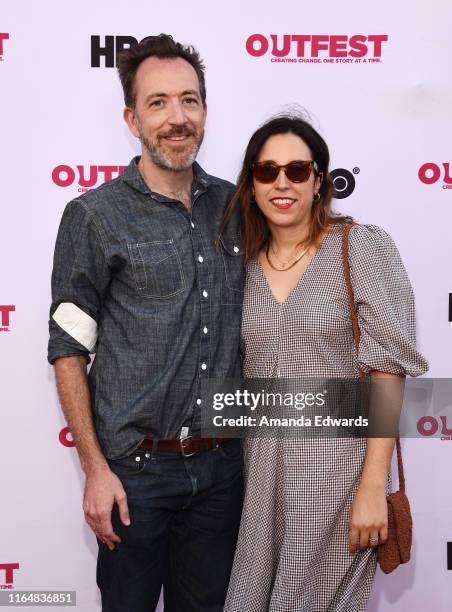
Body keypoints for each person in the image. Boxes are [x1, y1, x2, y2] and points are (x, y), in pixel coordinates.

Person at [47, 34, 244, 612]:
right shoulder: (93, 215)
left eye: (189, 100)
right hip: (134, 479)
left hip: (222, 472)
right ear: (132, 118)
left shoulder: (237, 210)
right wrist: (94, 469)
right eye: (158, 103)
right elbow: (67, 350)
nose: (177, 118)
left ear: (205, 110)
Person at [222, 114, 428, 611]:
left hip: (338, 475)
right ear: (251, 185)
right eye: (266, 171)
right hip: (258, 479)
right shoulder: (241, 262)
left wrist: (373, 486)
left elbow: (387, 372)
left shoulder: (362, 247)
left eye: (297, 169)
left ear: (320, 181)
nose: (282, 183)